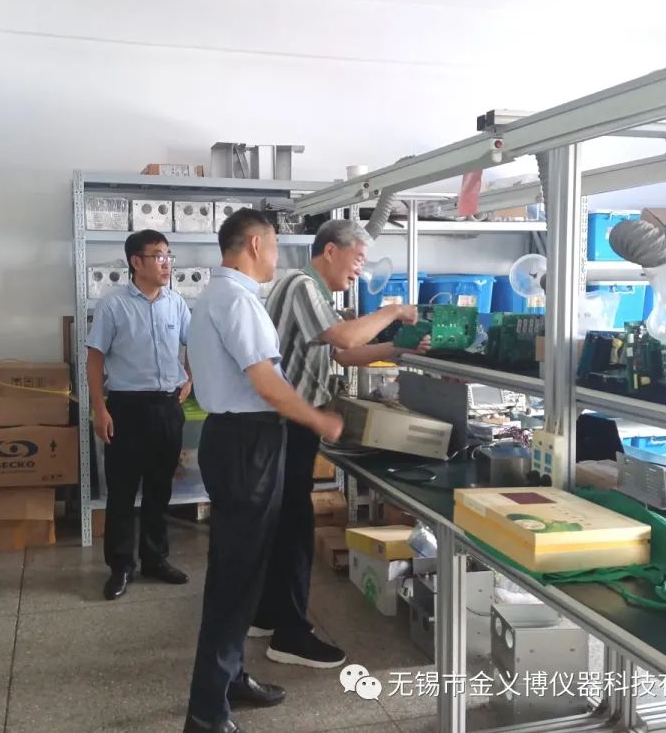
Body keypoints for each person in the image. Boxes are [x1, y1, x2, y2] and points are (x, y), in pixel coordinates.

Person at [183, 209, 344, 733]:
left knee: (240, 569)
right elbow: (268, 384)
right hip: (248, 441)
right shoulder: (238, 302)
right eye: (275, 245)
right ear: (255, 245)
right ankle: (207, 711)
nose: (278, 255)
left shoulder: (216, 295)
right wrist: (319, 419)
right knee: (236, 576)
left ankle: (229, 678)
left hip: (233, 438)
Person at [250, 218, 427, 669]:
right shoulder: (301, 286)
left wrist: (401, 351)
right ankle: (289, 635)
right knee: (293, 526)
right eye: (358, 258)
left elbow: (344, 353)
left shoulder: (315, 293)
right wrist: (393, 312)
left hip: (291, 422)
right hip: (287, 422)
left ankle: (266, 613)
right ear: (330, 251)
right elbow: (346, 338)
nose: (360, 269)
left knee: (283, 522)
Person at [86, 229, 193, 601]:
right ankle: (121, 566)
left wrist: (190, 378)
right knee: (122, 491)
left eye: (168, 256)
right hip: (126, 409)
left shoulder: (176, 303)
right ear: (136, 262)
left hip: (167, 408)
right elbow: (95, 359)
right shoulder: (113, 305)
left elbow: (193, 343)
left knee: (160, 489)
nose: (166, 263)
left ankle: (155, 559)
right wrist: (99, 409)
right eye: (158, 256)